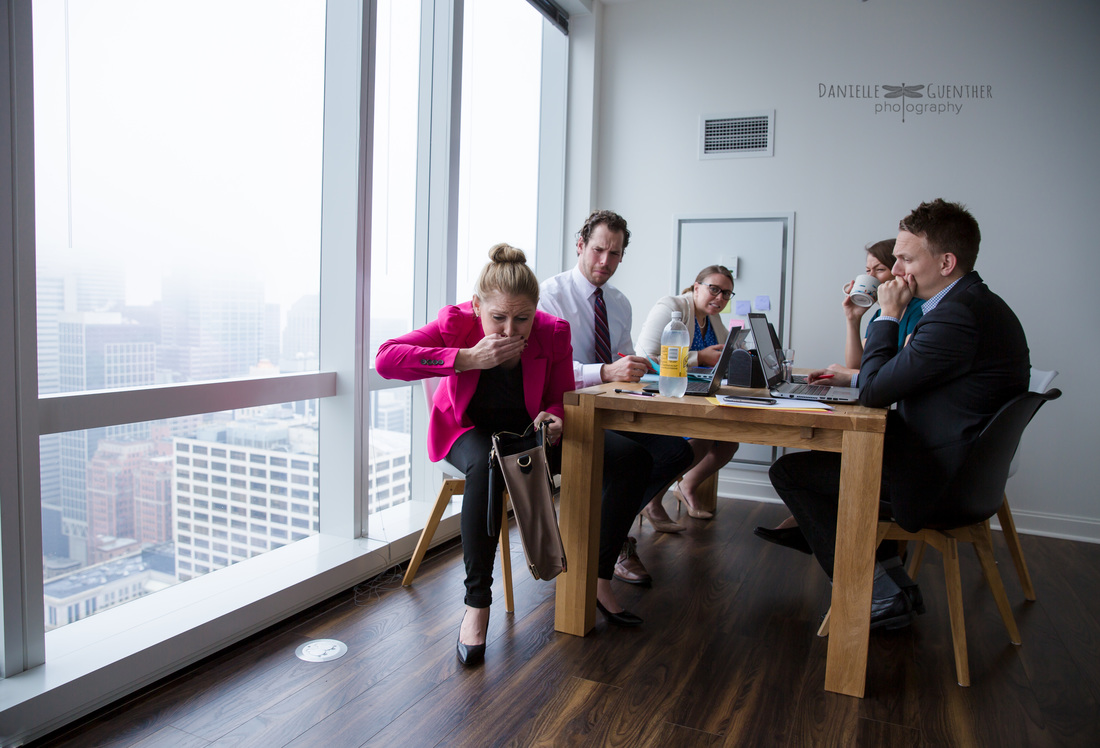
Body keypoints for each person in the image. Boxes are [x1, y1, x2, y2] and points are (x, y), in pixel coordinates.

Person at [767, 199, 1029, 630]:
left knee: (791, 472)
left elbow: (874, 391)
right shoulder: (971, 303)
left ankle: (875, 594)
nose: (899, 269)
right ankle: (889, 586)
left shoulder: (955, 316)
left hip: (939, 481)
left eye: (906, 258)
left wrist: (888, 316)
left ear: (946, 262)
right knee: (826, 464)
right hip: (960, 470)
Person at [376, 244, 574, 666]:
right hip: (466, 431)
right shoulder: (456, 324)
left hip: (525, 435)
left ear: (535, 311)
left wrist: (555, 418)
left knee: (615, 455)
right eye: (497, 318)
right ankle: (476, 605)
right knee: (488, 464)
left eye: (522, 319)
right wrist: (465, 358)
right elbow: (386, 359)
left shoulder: (552, 332)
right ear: (476, 307)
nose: (508, 331)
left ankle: (594, 580)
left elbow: (559, 399)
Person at [538, 210, 694, 623]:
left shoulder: (619, 302)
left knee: (677, 452)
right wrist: (604, 372)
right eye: (598, 250)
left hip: (609, 408)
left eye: (615, 253)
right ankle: (602, 561)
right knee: (634, 461)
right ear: (580, 245)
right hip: (562, 414)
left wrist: (635, 365)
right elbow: (545, 373)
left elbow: (620, 355)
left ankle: (611, 526)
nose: (604, 261)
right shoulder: (550, 296)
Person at [755, 239, 924, 553]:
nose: (873, 277)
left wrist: (851, 376)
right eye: (867, 271)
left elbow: (890, 375)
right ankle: (813, 527)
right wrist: (853, 318)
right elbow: (857, 365)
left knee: (813, 458)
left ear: (899, 273)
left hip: (904, 436)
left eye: (880, 269)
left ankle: (826, 537)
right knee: (826, 450)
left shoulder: (915, 311)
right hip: (896, 421)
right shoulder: (884, 314)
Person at [634, 265, 740, 527]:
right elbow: (647, 355)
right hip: (662, 393)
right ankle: (652, 498)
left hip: (694, 395)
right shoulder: (672, 306)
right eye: (714, 289)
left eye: (727, 294)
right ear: (696, 286)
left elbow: (727, 350)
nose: (720, 298)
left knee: (729, 441)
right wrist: (699, 357)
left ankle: (688, 486)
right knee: (702, 438)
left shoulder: (712, 318)